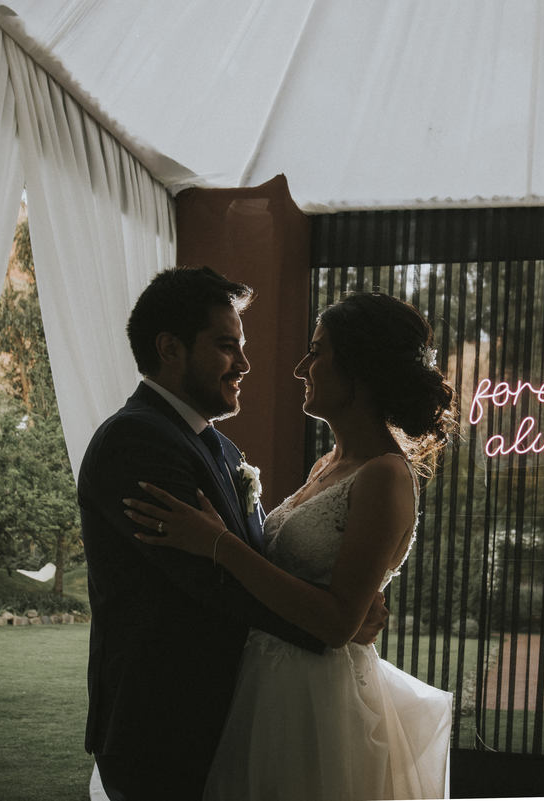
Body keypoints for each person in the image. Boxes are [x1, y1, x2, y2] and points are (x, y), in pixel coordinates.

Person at [125, 291, 456, 800]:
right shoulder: (328, 464)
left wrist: (219, 544)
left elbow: (337, 622)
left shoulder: (385, 476)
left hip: (316, 701)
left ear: (359, 369)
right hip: (264, 683)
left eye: (317, 352)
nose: (302, 367)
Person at [78, 267, 387, 801]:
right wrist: (332, 620)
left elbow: (252, 558)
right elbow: (210, 583)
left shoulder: (221, 448)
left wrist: (344, 598)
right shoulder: (133, 441)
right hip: (164, 724)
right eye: (227, 347)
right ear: (170, 348)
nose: (244, 364)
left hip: (232, 717)